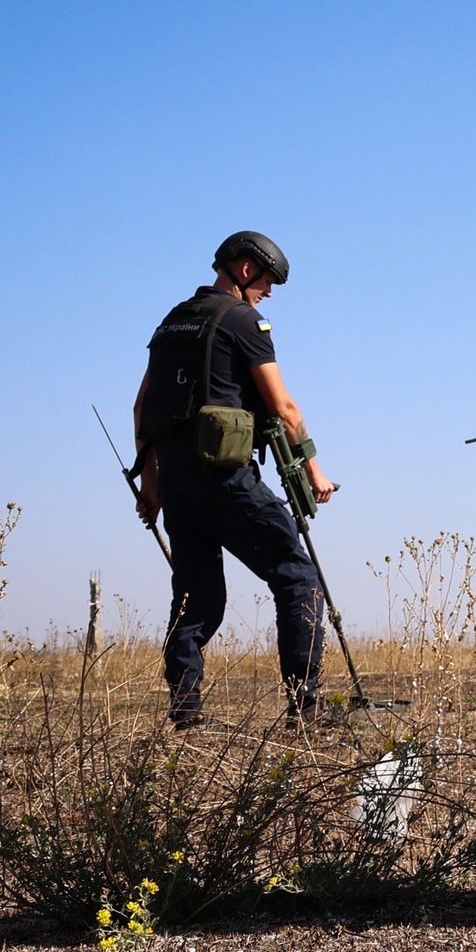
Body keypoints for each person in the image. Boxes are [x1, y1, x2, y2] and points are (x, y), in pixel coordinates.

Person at [131, 231, 336, 727]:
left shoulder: (172, 322)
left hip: (177, 482)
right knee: (297, 576)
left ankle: (186, 711)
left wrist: (151, 484)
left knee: (196, 597)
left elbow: (142, 407)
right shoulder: (245, 320)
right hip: (225, 475)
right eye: (267, 282)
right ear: (245, 270)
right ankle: (304, 708)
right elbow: (283, 406)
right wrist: (314, 469)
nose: (269, 293)